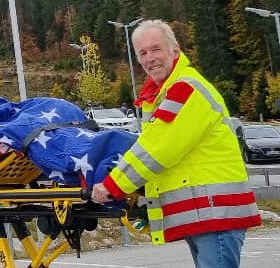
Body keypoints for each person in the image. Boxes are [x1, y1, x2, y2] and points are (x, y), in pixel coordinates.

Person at [92, 20, 260, 268]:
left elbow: (157, 149)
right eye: (143, 53)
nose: (150, 58)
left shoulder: (185, 90)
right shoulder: (165, 94)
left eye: (156, 49)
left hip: (215, 212)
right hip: (206, 213)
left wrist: (114, 185)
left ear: (175, 50)